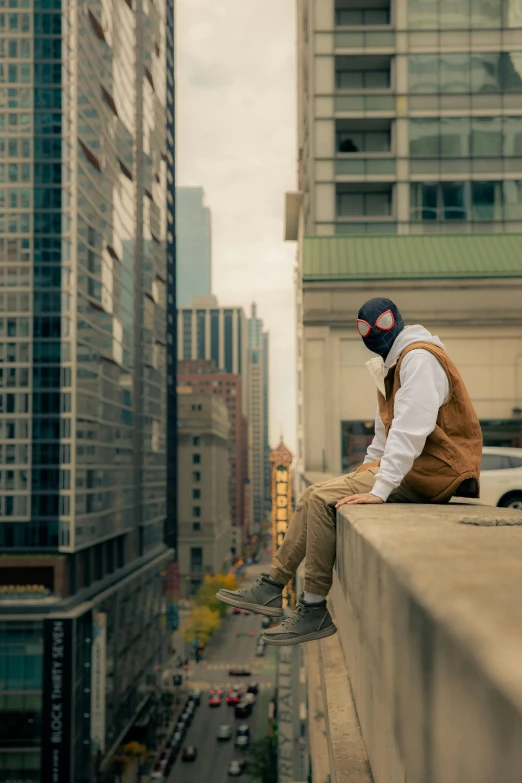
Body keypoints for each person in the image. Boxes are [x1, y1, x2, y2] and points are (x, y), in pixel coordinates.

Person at [216, 298, 483, 646]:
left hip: (434, 471)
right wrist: (362, 474)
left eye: (382, 322)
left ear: (397, 319)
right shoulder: (392, 367)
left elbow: (410, 429)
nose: (374, 332)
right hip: (418, 469)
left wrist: (379, 488)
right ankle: (272, 584)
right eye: (365, 328)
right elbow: (383, 437)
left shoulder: (419, 359)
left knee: (320, 499)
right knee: (314, 493)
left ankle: (312, 607)